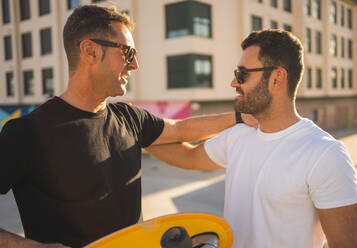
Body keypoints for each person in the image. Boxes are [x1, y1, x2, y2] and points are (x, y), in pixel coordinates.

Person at [0, 5, 257, 248]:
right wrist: (25, 245)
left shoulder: (129, 117)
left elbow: (180, 130)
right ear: (90, 51)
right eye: (127, 53)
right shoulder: (26, 133)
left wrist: (241, 117)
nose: (135, 65)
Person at [147, 29, 357, 248]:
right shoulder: (240, 134)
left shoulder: (325, 153)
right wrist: (131, 133)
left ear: (277, 78)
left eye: (242, 74)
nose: (233, 82)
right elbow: (188, 156)